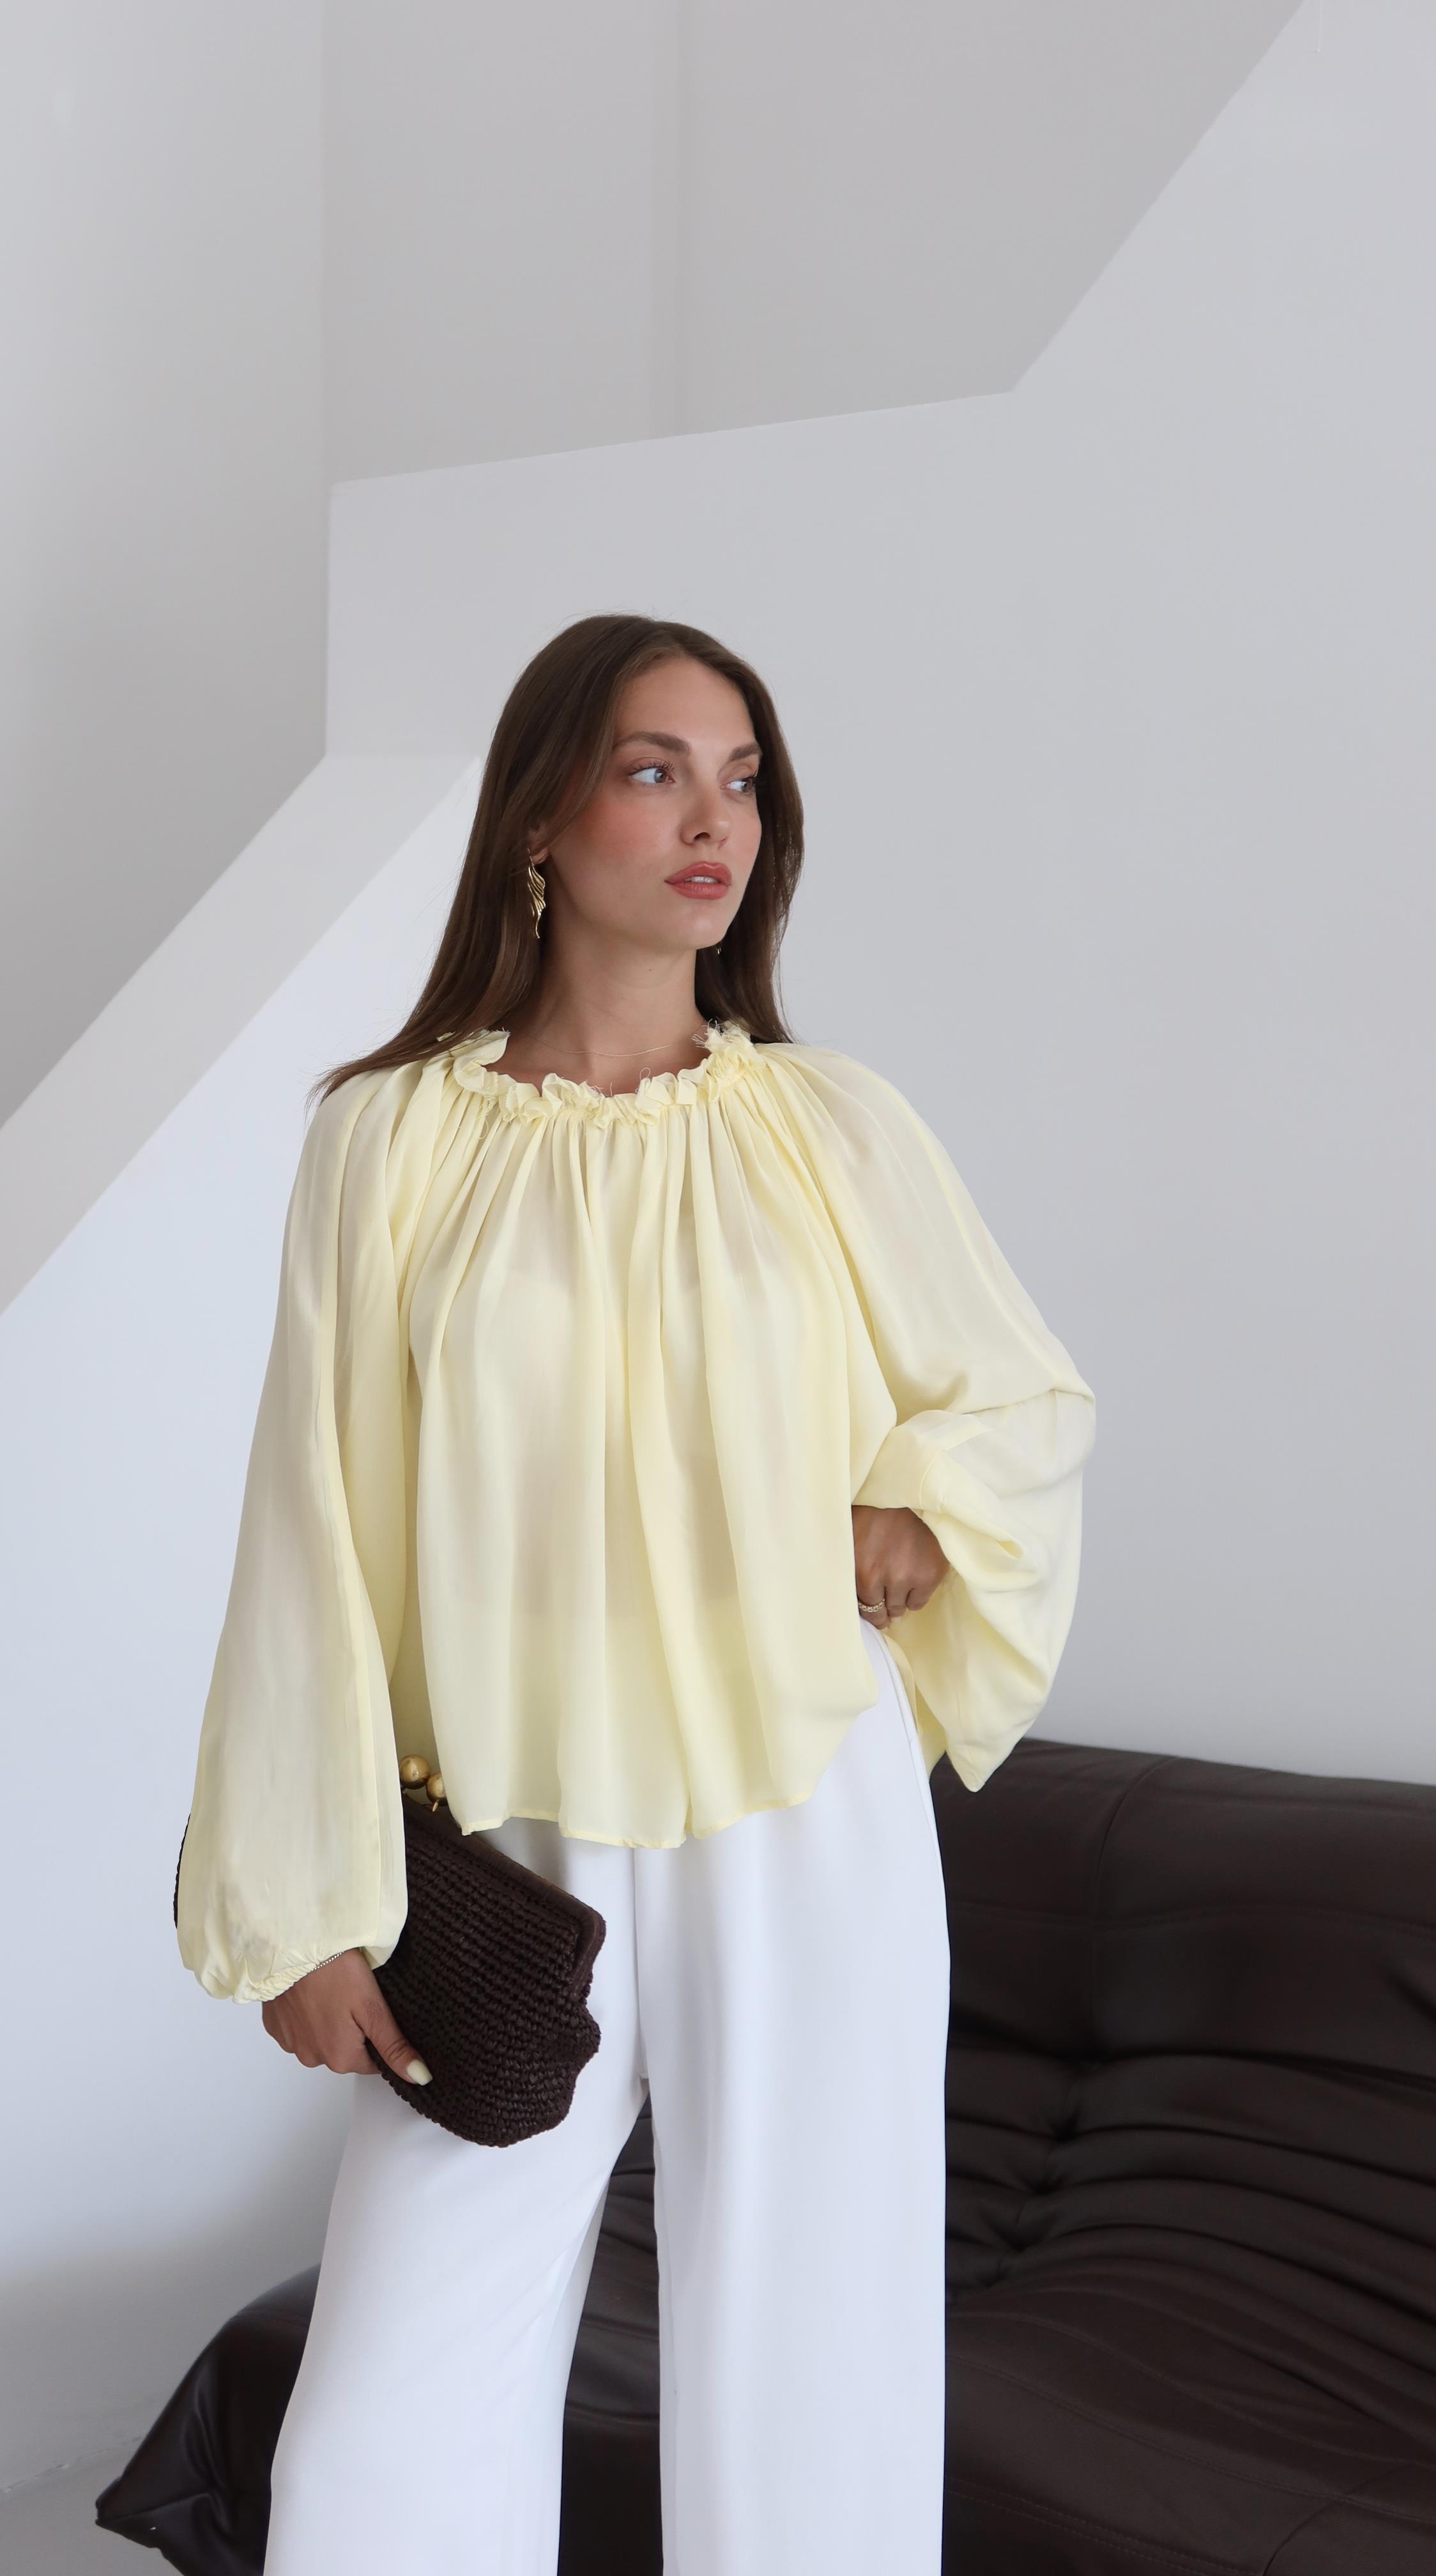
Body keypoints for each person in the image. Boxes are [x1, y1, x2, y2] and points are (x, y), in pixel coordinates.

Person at [174, 612, 1095, 2574]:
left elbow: (1017, 1401)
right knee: (380, 2435)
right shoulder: (389, 1140)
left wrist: (918, 1503)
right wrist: (301, 1904)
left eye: (742, 780)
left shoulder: (827, 1128)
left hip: (805, 1815)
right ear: (540, 816)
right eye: (656, 770)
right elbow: (307, 1529)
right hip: (513, 1835)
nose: (713, 823)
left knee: (813, 2372)